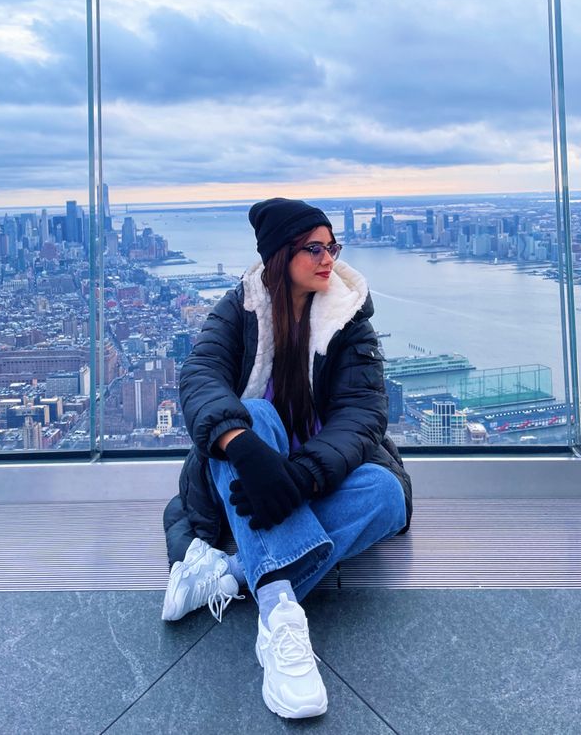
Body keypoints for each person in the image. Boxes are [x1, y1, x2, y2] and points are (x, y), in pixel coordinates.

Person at [162, 197, 413, 719]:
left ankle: (231, 573)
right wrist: (242, 446)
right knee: (251, 414)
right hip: (246, 470)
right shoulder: (240, 309)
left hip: (318, 474)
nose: (328, 258)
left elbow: (363, 414)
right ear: (281, 256)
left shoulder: (349, 318)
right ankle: (280, 618)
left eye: (332, 246)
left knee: (387, 493)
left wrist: (302, 475)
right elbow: (199, 377)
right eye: (313, 248)